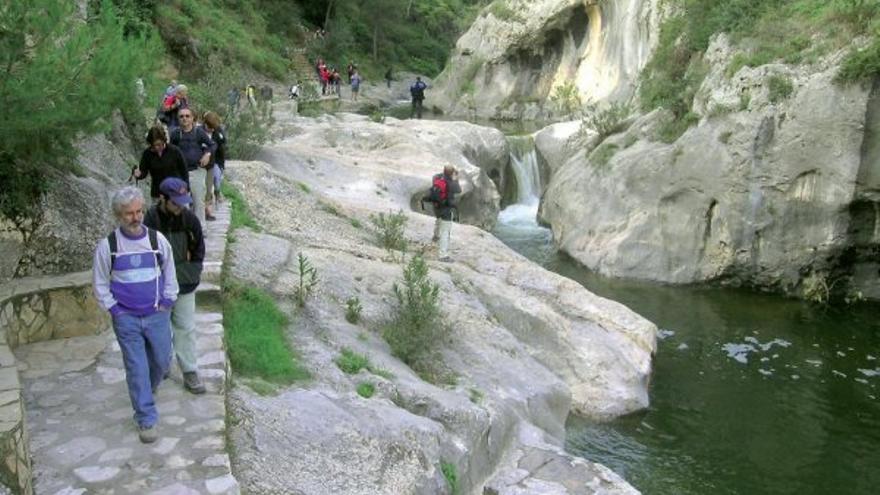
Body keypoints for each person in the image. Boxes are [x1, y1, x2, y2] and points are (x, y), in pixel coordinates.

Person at [93, 186, 177, 443]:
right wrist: (115, 310)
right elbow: (100, 282)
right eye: (129, 213)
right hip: (126, 319)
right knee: (136, 367)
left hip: (156, 314)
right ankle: (145, 418)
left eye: (139, 211)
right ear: (119, 215)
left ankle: (147, 390)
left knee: (162, 361)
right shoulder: (108, 246)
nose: (136, 217)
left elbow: (169, 272)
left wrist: (167, 301)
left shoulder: (156, 241)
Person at [144, 178, 207, 395]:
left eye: (184, 202)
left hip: (184, 284)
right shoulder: (150, 220)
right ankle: (159, 368)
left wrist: (188, 274)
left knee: (186, 327)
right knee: (157, 330)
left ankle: (190, 370)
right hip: (157, 287)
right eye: (176, 203)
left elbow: (198, 253)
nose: (181, 207)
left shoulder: (191, 220)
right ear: (162, 198)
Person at [169, 108, 215, 224]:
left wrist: (207, 154)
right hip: (180, 173)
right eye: (181, 116)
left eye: (187, 116)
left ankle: (200, 228)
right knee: (183, 203)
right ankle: (186, 229)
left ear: (192, 118)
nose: (184, 118)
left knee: (198, 201)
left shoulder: (198, 132)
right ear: (178, 119)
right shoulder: (175, 134)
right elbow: (170, 150)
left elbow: (212, 145)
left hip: (196, 171)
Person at [135, 126, 189, 203]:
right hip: (158, 193)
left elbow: (184, 171)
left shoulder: (174, 151)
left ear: (164, 141)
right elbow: (143, 171)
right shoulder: (147, 154)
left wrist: (186, 187)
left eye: (160, 144)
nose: (158, 147)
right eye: (155, 145)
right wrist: (138, 174)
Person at [429, 166, 461, 262]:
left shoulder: (436, 178)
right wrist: (455, 180)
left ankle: (435, 237)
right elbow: (459, 190)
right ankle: (443, 255)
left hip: (436, 207)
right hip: (446, 209)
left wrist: (447, 174)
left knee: (438, 221)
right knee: (445, 232)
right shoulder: (452, 183)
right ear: (452, 174)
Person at [202, 111, 227, 204]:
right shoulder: (200, 131)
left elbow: (222, 144)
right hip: (202, 161)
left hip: (216, 160)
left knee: (216, 177)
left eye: (213, 128)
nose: (211, 130)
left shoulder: (218, 132)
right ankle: (207, 200)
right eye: (209, 128)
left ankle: (217, 192)